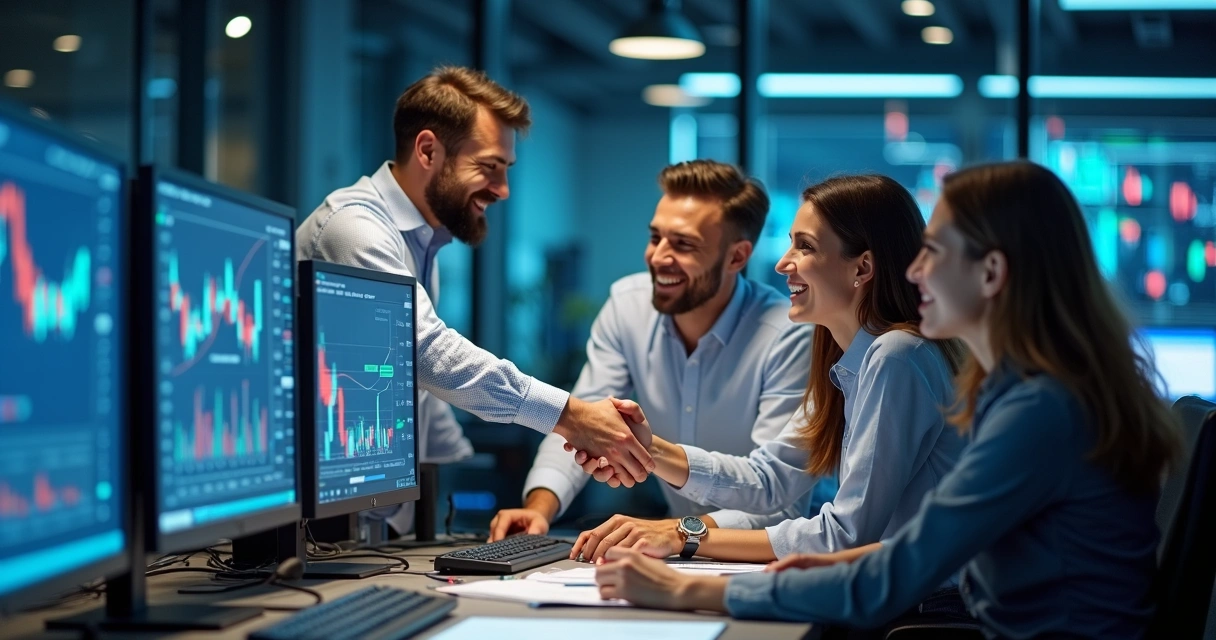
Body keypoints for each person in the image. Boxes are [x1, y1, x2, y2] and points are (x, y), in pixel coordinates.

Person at [594, 161, 1182, 640]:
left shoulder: (1034, 408)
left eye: (934, 251)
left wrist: (686, 583)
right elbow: (893, 544)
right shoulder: (1022, 391)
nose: (917, 270)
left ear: (992, 272)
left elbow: (897, 564)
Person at [295, 66, 654, 504]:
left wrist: (461, 475)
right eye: (489, 167)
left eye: (506, 169)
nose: (502, 190)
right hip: (315, 516)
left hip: (370, 512)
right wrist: (572, 417)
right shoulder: (355, 229)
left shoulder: (419, 238)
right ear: (428, 150)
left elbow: (411, 384)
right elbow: (426, 353)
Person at [570, 175, 967, 571]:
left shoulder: (895, 356)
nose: (781, 263)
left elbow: (844, 534)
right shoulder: (849, 360)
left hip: (927, 614)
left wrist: (685, 535)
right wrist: (648, 449)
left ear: (862, 267)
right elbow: (770, 479)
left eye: (805, 246)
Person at [488, 160, 816, 542]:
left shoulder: (789, 334)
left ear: (737, 257)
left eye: (683, 244)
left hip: (769, 556)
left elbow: (781, 502)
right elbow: (582, 425)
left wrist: (674, 532)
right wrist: (537, 510)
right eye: (655, 237)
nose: (658, 257)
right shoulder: (628, 305)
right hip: (672, 548)